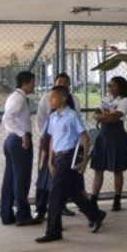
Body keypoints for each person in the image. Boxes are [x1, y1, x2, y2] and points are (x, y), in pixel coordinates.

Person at [35, 86, 107, 243]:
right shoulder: (53, 117)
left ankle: (53, 231)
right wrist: (50, 160)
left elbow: (85, 137)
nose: (50, 100)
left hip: (68, 158)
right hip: (58, 158)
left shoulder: (72, 115)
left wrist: (84, 160)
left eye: (53, 97)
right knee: (73, 191)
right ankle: (95, 214)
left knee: (55, 195)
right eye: (50, 97)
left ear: (64, 98)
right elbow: (52, 139)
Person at [34, 72, 79, 221]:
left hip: (67, 144)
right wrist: (45, 135)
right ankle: (40, 208)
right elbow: (40, 119)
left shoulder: (74, 100)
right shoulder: (46, 99)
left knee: (64, 177)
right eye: (60, 82)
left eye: (66, 83)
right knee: (44, 175)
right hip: (49, 141)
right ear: (54, 83)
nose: (63, 85)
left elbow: (77, 122)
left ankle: (62, 206)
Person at [0, 70, 42, 226]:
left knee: (10, 179)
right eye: (33, 83)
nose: (34, 85)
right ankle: (23, 215)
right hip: (19, 141)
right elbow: (7, 118)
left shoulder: (14, 96)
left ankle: (6, 214)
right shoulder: (19, 98)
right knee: (21, 179)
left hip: (11, 140)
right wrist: (22, 134)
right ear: (25, 84)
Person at [91, 76, 127, 212]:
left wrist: (103, 116)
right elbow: (95, 114)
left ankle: (117, 199)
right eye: (110, 85)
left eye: (113, 85)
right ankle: (93, 199)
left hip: (116, 136)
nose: (110, 88)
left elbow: (114, 117)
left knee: (117, 169)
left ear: (121, 87)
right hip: (103, 135)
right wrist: (105, 116)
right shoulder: (106, 98)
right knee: (98, 168)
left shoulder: (125, 100)